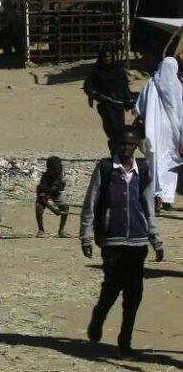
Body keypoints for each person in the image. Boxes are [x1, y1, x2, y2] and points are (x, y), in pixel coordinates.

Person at [79, 127, 165, 359]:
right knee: (113, 285)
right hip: (111, 239)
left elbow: (148, 207)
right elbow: (91, 202)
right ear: (115, 145)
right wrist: (85, 235)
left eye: (130, 144)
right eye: (122, 144)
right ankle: (99, 317)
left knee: (134, 293)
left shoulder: (144, 170)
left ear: (137, 145)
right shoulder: (106, 168)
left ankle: (124, 341)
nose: (126, 148)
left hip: (138, 241)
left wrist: (156, 239)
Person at [133, 54, 183, 212]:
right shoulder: (177, 87)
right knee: (170, 164)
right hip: (172, 134)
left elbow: (139, 108)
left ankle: (158, 197)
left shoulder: (150, 84)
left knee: (155, 163)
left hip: (153, 131)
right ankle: (165, 198)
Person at [84, 49, 132, 152]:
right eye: (105, 57)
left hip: (118, 105)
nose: (107, 59)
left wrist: (129, 101)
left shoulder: (118, 70)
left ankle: (119, 151)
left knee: (120, 129)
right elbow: (88, 86)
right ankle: (114, 149)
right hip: (105, 105)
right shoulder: (97, 71)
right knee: (111, 128)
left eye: (109, 57)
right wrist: (97, 95)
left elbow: (124, 86)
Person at [35, 156, 70, 238]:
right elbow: (43, 198)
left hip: (55, 192)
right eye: (54, 173)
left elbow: (62, 189)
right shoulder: (45, 179)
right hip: (44, 193)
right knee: (39, 209)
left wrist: (60, 184)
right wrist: (54, 210)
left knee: (65, 207)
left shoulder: (60, 174)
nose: (56, 174)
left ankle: (61, 231)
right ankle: (41, 230)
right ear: (49, 171)